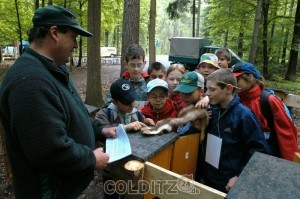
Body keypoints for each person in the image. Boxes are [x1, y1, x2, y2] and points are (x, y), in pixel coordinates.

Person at [0, 5, 114, 198]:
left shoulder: (51, 69)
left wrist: (98, 129)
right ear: (54, 33)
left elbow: (69, 115)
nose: (76, 45)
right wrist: (90, 159)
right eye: (73, 37)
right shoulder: (29, 81)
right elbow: (49, 150)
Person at [203, 68, 270, 192]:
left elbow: (259, 150)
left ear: (228, 89)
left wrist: (241, 176)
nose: (207, 93)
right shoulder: (211, 110)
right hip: (209, 177)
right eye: (206, 88)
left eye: (212, 89)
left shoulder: (244, 116)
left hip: (229, 182)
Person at [232, 62, 298, 161]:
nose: (234, 84)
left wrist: (289, 165)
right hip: (244, 157)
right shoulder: (238, 100)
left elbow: (287, 134)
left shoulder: (269, 101)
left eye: (237, 80)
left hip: (267, 158)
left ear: (250, 77)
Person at [105, 44, 149, 109]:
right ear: (126, 64)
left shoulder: (149, 84)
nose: (136, 69)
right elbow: (108, 104)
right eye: (132, 65)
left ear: (144, 63)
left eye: (139, 65)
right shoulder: (119, 85)